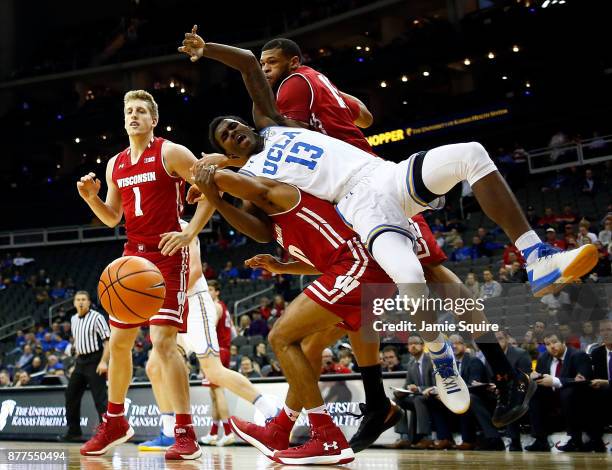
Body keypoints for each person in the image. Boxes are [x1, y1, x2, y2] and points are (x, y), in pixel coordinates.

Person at [182, 30, 555, 431]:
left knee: (427, 278)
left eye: (272, 63)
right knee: (376, 296)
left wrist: (208, 55)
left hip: (373, 182)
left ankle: (495, 368)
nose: (267, 70)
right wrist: (220, 177)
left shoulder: (288, 93)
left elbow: (253, 72)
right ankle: (383, 397)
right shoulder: (261, 152)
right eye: (227, 136)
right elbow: (362, 114)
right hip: (347, 204)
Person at [191, 167, 398, 464]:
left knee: (281, 336)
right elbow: (322, 261)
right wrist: (283, 267)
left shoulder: (282, 195)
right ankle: (281, 429)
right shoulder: (277, 227)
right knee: (309, 348)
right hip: (358, 269)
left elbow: (240, 183)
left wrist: (208, 182)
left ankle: (325, 435)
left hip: (364, 264)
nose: (243, 205)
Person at [76, 89, 215, 460]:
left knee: (163, 343)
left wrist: (190, 232)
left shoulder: (171, 152)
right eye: (129, 111)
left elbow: (212, 191)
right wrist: (91, 197)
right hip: (131, 260)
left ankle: (185, 431)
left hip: (168, 254)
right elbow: (112, 217)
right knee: (119, 343)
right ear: (124, 120)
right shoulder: (115, 164)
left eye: (141, 111)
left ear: (154, 119)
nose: (133, 116)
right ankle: (116, 420)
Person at [141, 222, 277, 451]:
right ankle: (168, 431)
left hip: (194, 301)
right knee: (154, 367)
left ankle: (272, 412)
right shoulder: (148, 229)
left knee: (213, 371)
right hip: (174, 302)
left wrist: (163, 293)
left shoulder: (183, 226)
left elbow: (194, 272)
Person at [526, 332, 595, 452]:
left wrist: (555, 381)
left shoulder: (578, 355)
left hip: (578, 403)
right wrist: (534, 377)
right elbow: (541, 380)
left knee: (567, 392)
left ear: (563, 342)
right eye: (547, 344)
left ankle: (575, 440)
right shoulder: (543, 358)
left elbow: (583, 380)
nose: (552, 346)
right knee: (533, 393)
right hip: (552, 403)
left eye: (555, 342)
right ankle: (540, 440)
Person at [60, 291, 110, 442]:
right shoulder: (73, 319)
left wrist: (104, 362)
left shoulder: (97, 317)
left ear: (89, 302)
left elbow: (108, 341)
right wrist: (76, 354)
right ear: (74, 303)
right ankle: (74, 430)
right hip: (80, 361)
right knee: (71, 394)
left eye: (83, 299)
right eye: (78, 300)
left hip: (96, 360)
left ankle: (105, 433)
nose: (81, 302)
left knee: (99, 398)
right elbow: (77, 339)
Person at [200, 279, 238, 447]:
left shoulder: (215, 307)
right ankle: (214, 433)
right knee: (214, 394)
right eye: (206, 289)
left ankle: (228, 432)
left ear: (217, 292)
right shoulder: (223, 307)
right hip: (223, 350)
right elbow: (233, 332)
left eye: (210, 289)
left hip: (217, 351)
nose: (207, 292)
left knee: (218, 393)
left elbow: (209, 330)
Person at [387, 335, 435, 450]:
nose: (413, 346)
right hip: (420, 397)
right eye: (410, 344)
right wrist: (398, 392)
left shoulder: (431, 360)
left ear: (423, 346)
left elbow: (436, 385)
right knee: (396, 401)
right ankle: (404, 437)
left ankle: (427, 437)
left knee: (418, 399)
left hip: (433, 396)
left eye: (416, 343)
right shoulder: (411, 364)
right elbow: (407, 386)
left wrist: (418, 389)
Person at [587, 319, 612, 452]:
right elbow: (594, 376)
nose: (605, 333)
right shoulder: (597, 353)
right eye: (602, 330)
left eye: (609, 329)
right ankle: (595, 440)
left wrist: (607, 383)